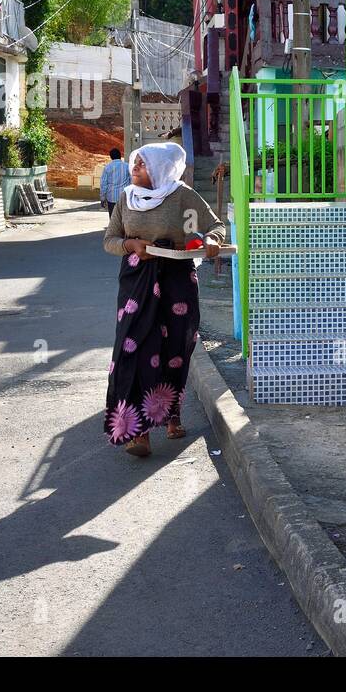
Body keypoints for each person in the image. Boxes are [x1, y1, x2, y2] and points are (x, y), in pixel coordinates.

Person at [102, 142, 225, 457]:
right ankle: (137, 431)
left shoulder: (182, 196)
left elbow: (215, 226)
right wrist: (130, 245)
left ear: (159, 169)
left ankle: (172, 414)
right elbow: (110, 240)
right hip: (136, 283)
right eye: (135, 163)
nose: (135, 169)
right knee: (134, 348)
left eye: (142, 165)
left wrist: (211, 240)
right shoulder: (126, 199)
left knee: (175, 347)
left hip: (176, 280)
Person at [99, 148, 130, 216]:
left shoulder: (107, 167)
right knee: (124, 218)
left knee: (113, 220)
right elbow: (132, 181)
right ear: (120, 155)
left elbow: (103, 184)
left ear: (111, 157)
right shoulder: (127, 166)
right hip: (124, 198)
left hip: (111, 198)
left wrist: (102, 198)